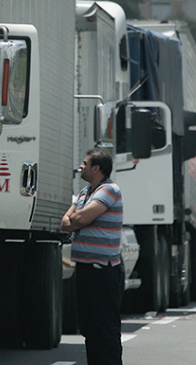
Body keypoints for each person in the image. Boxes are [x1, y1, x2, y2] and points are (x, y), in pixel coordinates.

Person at [62, 149, 123, 365]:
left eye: (85, 163)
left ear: (96, 168)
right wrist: (77, 220)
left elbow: (80, 217)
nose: (81, 166)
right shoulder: (85, 192)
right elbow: (66, 221)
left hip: (103, 270)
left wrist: (77, 219)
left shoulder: (109, 191)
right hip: (85, 268)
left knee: (106, 328)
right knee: (89, 328)